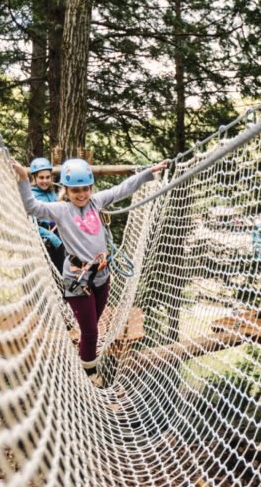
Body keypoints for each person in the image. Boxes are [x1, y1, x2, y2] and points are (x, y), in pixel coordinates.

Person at [12, 157, 168, 383]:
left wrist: (148, 173)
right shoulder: (61, 210)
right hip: (78, 280)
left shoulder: (96, 202)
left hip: (102, 277)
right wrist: (23, 179)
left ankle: (84, 354)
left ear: (91, 188)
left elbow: (122, 189)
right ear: (66, 190)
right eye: (75, 190)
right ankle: (89, 374)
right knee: (91, 331)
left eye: (85, 189)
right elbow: (32, 207)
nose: (81, 194)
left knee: (92, 326)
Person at [28, 157, 66, 273]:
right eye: (41, 177)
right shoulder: (31, 196)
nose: (45, 181)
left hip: (58, 237)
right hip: (44, 241)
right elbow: (30, 223)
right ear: (34, 177)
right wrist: (51, 237)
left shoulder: (52, 194)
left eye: (47, 177)